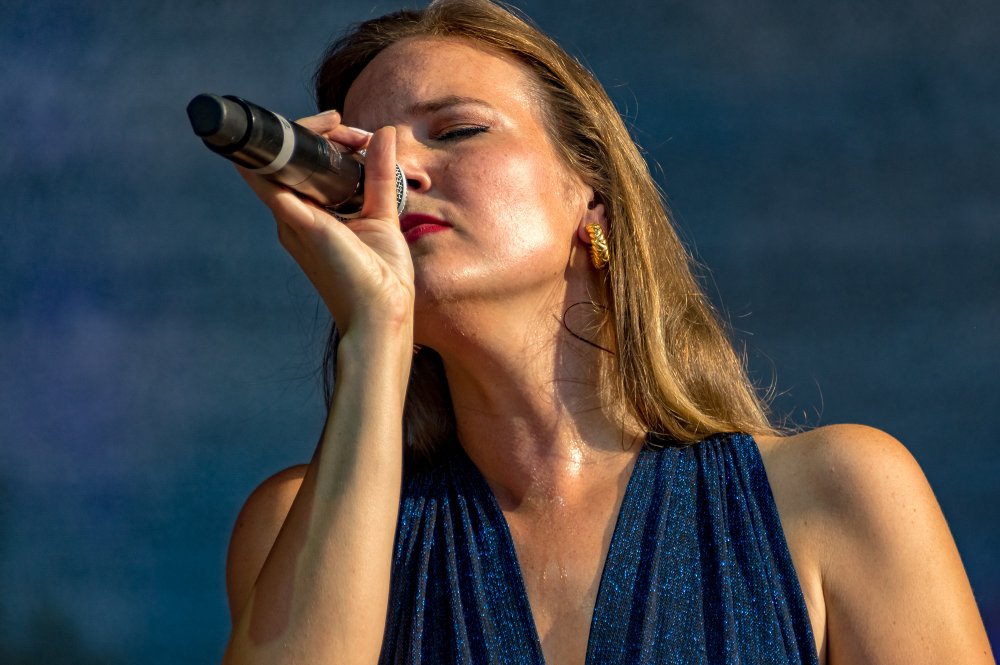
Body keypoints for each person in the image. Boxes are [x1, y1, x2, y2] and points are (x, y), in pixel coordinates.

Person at [219, 1, 993, 663]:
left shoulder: (838, 494)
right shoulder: (300, 526)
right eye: (363, 160)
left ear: (589, 191)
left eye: (455, 131)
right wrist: (374, 333)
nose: (398, 174)